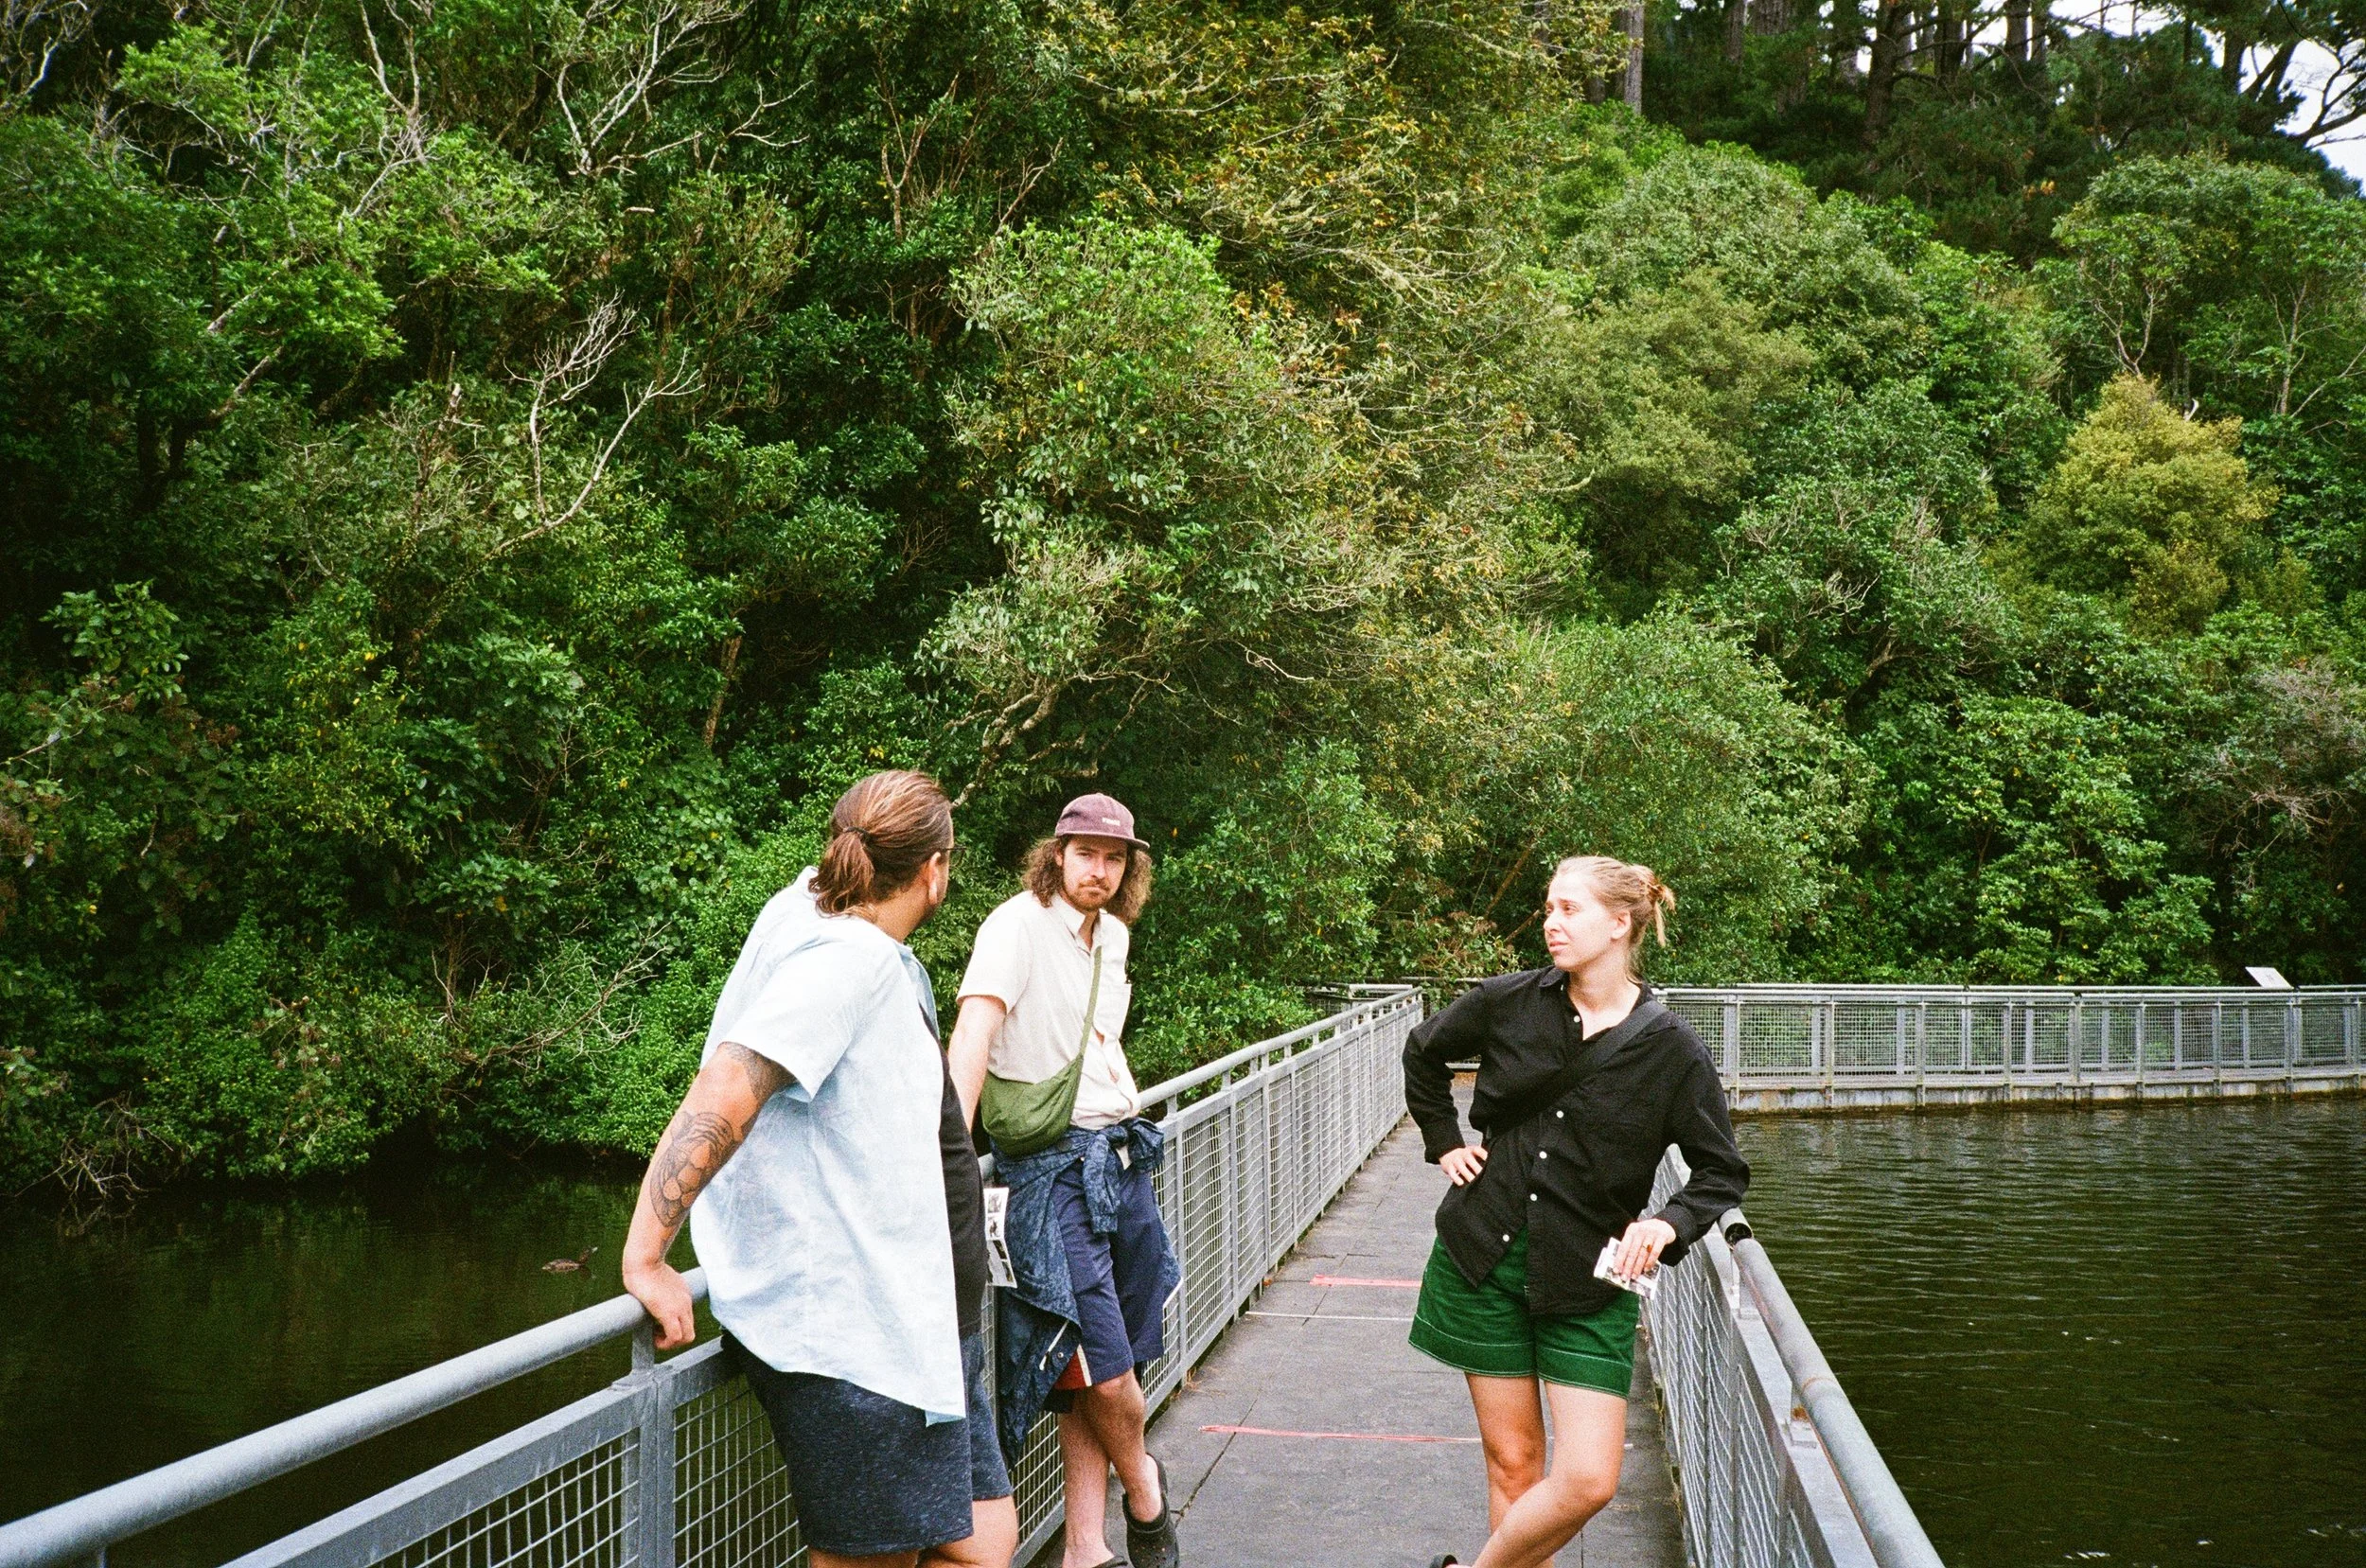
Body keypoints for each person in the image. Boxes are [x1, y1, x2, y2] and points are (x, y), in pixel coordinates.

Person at [619, 770, 1015, 1568]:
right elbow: (726, 1090)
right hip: (859, 1332)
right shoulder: (846, 960)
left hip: (926, 1324)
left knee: (983, 1544)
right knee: (876, 1558)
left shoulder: (819, 911)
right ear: (936, 870)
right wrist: (646, 1254)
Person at [1402, 855, 1749, 1568]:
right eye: (1549, 907)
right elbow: (1423, 1052)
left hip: (1591, 1281)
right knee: (1516, 1463)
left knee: (1587, 1479)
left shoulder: (1672, 1049)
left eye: (1569, 909)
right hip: (1483, 1256)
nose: (1550, 923)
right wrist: (1445, 1141)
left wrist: (1668, 1222)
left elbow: (1721, 1171)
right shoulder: (1510, 1001)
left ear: (1620, 923)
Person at [946, 793, 1182, 1568]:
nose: (1100, 870)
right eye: (1086, 853)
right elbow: (973, 1037)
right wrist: (937, 1161)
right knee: (1106, 1372)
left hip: (1115, 1158)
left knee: (1096, 1366)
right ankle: (1145, 1488)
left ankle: (1086, 1547)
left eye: (1115, 858)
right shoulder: (1013, 926)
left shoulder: (1112, 937)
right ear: (1056, 854)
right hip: (1050, 1177)